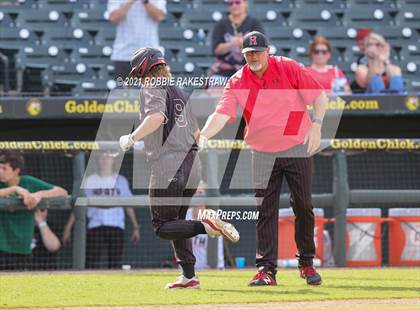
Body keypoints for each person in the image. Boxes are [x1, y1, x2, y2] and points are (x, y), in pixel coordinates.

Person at [199, 31, 328, 286]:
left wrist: (317, 125)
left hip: (295, 146)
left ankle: (306, 263)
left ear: (268, 51)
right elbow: (222, 113)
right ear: (244, 55)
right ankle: (266, 270)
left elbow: (319, 97)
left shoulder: (288, 67)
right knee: (265, 211)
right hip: (261, 151)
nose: (254, 57)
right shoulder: (237, 81)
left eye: (258, 52)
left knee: (303, 205)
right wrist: (203, 135)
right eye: (249, 53)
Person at [119, 47, 239, 289]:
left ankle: (208, 225)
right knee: (177, 221)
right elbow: (197, 133)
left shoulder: (152, 86)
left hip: (168, 164)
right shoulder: (180, 91)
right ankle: (189, 275)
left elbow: (155, 117)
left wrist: (132, 137)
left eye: (139, 72)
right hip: (192, 163)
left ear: (145, 67)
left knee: (162, 227)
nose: (138, 78)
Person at [62, 151, 140, 269]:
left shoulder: (121, 180)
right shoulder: (90, 180)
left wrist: (135, 227)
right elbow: (79, 205)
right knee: (91, 263)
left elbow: (129, 205)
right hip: (95, 226)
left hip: (116, 226)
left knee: (115, 264)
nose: (105, 161)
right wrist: (68, 228)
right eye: (102, 158)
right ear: (97, 160)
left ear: (113, 160)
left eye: (108, 157)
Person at [0, 151, 68, 270]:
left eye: (4, 168)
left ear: (16, 171)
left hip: (22, 247)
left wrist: (39, 194)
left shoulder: (28, 181)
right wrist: (15, 189)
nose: (0, 171)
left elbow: (62, 192)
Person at [107, 0, 166, 80]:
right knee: (123, 91)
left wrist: (146, 2)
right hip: (123, 54)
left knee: (152, 91)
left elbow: (160, 17)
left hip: (150, 56)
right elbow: (113, 18)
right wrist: (129, 2)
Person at [209, 0, 264, 81]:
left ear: (245, 3)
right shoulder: (221, 24)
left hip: (250, 71)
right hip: (223, 71)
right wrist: (232, 44)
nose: (234, 5)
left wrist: (243, 43)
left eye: (237, 2)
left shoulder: (255, 23)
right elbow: (216, 50)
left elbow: (260, 48)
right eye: (231, 3)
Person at [186, 182, 225, 270]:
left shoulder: (213, 219)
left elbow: (217, 251)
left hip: (210, 270)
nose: (197, 196)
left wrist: (218, 268)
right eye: (194, 192)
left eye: (200, 193)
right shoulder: (184, 216)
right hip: (188, 271)